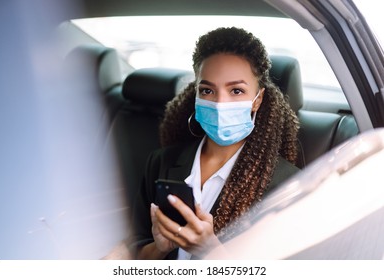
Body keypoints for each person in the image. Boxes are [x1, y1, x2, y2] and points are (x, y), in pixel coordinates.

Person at [128, 27, 300, 260]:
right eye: (207, 90)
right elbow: (136, 257)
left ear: (257, 100)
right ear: (196, 94)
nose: (220, 103)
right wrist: (160, 247)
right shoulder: (161, 161)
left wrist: (212, 251)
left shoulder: (287, 185)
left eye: (236, 91)